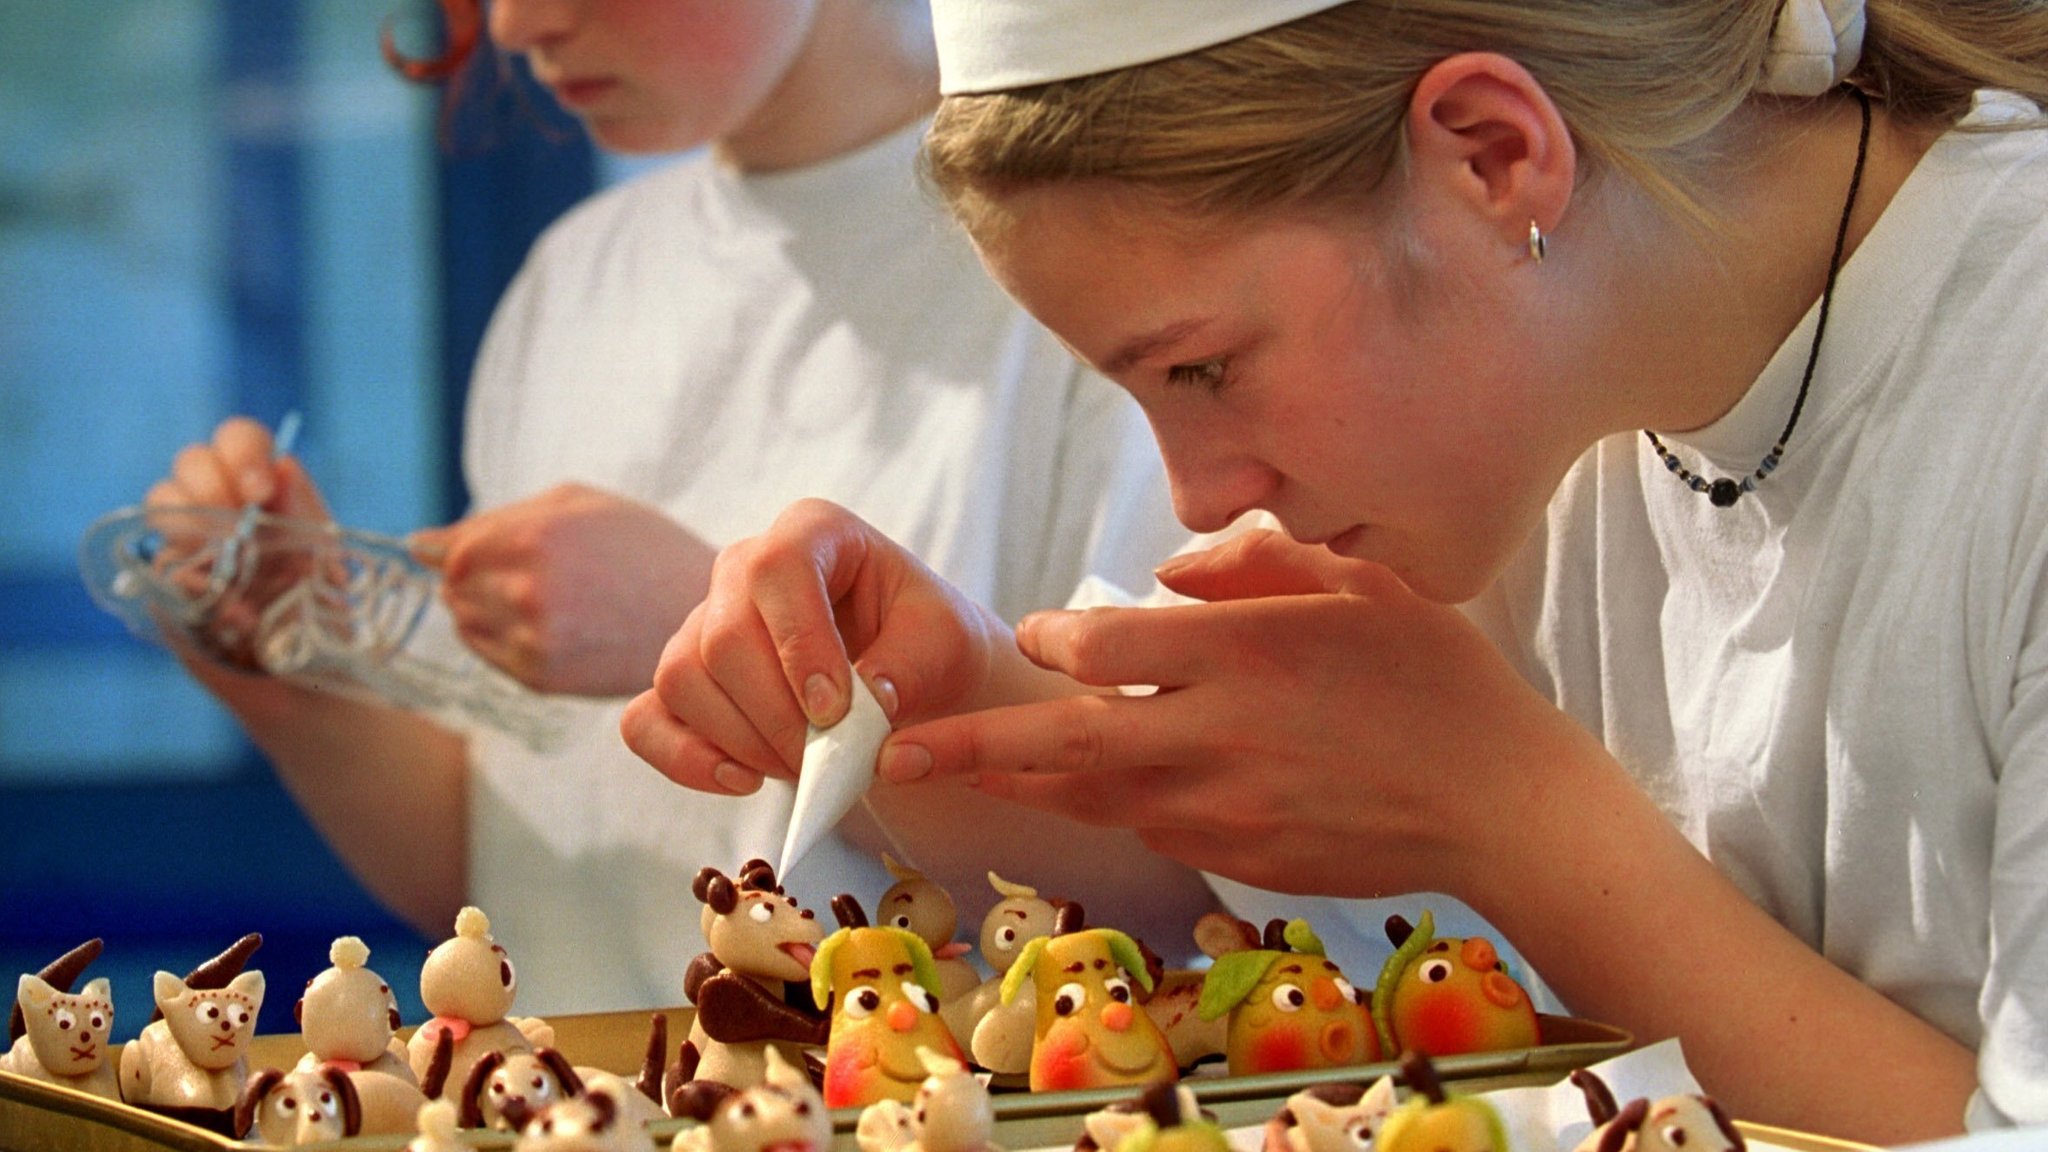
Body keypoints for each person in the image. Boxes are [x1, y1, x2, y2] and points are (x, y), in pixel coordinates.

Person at [620, 0, 2048, 1141]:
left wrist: (1514, 821)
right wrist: (916, 694)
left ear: (1493, 152)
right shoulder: (1538, 391)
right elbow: (1204, 834)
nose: (1198, 491)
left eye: (1205, 368)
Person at [141, 0, 1209, 1015]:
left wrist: (702, 619)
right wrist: (287, 672)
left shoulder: (1082, 257)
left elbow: (1178, 890)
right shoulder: (577, 279)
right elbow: (517, 881)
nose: (517, 27)